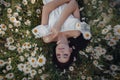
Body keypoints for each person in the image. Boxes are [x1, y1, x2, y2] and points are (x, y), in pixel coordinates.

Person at [32, 0, 91, 69]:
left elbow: (46, 8)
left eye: (58, 55)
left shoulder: (47, 37)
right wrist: (58, 24)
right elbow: (74, 3)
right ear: (70, 50)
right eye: (65, 55)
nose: (61, 52)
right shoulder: (76, 32)